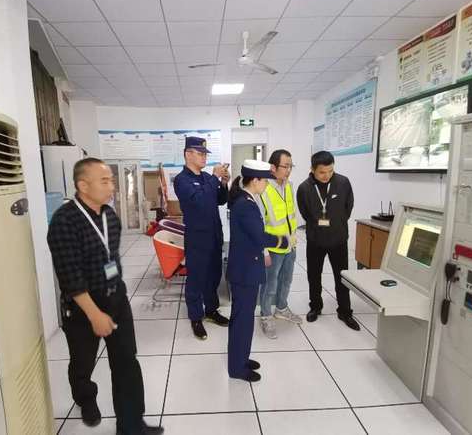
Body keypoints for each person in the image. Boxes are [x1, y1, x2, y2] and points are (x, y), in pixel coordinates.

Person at [47, 158, 163, 435]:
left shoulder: (109, 216)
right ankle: (85, 398)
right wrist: (95, 314)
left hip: (115, 298)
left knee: (126, 361)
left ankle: (131, 424)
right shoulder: (64, 221)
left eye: (111, 180)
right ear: (83, 185)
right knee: (83, 363)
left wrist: (116, 294)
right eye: (104, 181)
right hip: (83, 307)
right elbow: (70, 277)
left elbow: (112, 259)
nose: (112, 186)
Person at [227, 160, 292, 382]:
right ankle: (237, 368)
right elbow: (259, 236)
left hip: (246, 268)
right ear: (255, 180)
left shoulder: (247, 199)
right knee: (242, 321)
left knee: (244, 319)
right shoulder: (245, 204)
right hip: (244, 272)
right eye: (265, 180)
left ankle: (241, 359)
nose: (267, 184)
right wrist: (282, 241)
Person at [296, 151, 360, 331]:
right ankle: (315, 306)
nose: (327, 175)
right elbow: (305, 213)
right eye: (322, 172)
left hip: (338, 239)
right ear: (312, 169)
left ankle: (345, 311)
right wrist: (318, 226)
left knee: (342, 277)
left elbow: (348, 207)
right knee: (313, 276)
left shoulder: (343, 183)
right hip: (315, 240)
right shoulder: (304, 188)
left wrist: (337, 223)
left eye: (330, 171)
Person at [174, 136, 230, 340]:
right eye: (200, 153)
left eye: (205, 154)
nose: (204, 157)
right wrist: (215, 178)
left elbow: (220, 200)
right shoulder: (182, 180)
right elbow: (199, 202)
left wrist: (223, 183)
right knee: (196, 278)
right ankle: (196, 317)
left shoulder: (207, 177)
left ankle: (211, 310)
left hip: (214, 235)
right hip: (197, 238)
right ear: (188, 154)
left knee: (214, 276)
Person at [257, 149, 302, 339]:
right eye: (286, 166)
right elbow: (259, 223)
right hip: (273, 247)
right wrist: (264, 252)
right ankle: (266, 315)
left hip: (290, 244)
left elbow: (291, 215)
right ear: (273, 168)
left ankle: (281, 308)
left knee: (286, 279)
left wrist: (293, 239)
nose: (289, 170)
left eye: (291, 166)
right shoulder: (264, 189)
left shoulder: (289, 186)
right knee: (270, 284)